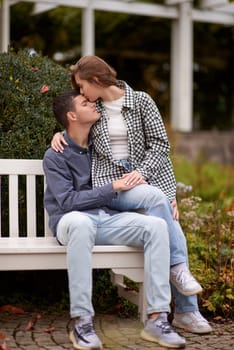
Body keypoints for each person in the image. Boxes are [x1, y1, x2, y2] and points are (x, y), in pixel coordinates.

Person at [51, 55, 212, 335]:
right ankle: (186, 302)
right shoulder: (93, 108)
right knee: (155, 200)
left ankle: (186, 311)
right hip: (112, 188)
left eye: (82, 86)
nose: (81, 93)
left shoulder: (141, 101)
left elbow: (161, 146)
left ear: (97, 80)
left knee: (165, 216)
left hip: (145, 181)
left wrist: (163, 189)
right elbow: (75, 125)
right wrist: (56, 133)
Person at [43, 89, 186, 349]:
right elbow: (68, 202)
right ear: (72, 115)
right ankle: (82, 322)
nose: (94, 105)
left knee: (156, 226)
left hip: (106, 219)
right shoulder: (55, 154)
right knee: (80, 222)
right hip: (71, 222)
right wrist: (113, 188)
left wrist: (167, 195)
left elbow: (148, 158)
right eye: (86, 103)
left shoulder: (101, 147)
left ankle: (157, 318)